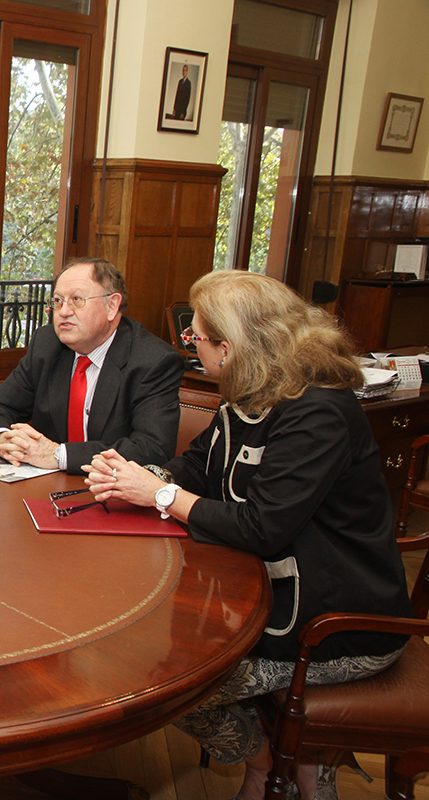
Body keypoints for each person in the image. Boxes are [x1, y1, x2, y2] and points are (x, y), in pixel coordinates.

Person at [83, 270, 411, 800]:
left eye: (199, 336)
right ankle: (274, 761)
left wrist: (159, 497)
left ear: (231, 349)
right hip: (257, 598)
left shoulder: (319, 413)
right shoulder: (250, 394)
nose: (191, 345)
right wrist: (141, 482)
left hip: (332, 625)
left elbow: (262, 527)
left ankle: (276, 763)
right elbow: (196, 466)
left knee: (168, 688)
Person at [0, 257, 184, 475]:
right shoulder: (47, 344)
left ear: (112, 306)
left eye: (77, 300)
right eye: (57, 301)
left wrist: (58, 455)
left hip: (114, 494)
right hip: (47, 487)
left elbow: (152, 449)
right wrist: (1, 439)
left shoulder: (153, 361)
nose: (63, 311)